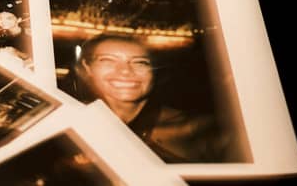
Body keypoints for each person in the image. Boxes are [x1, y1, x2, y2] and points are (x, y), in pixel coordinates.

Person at [72, 33, 229, 164]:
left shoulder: (198, 129)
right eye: (108, 60)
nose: (126, 71)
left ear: (154, 71)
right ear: (87, 68)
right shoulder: (71, 121)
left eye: (140, 63)